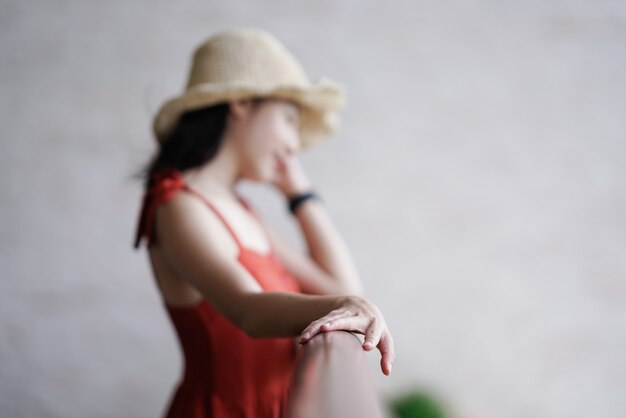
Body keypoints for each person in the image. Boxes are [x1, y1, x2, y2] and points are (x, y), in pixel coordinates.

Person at [133, 27, 395, 418]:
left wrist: (300, 193)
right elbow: (248, 310)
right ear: (240, 102)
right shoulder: (177, 204)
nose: (294, 144)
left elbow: (344, 287)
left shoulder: (242, 211)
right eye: (289, 118)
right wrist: (344, 304)